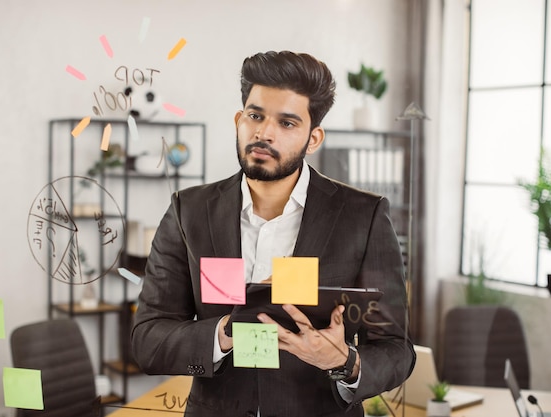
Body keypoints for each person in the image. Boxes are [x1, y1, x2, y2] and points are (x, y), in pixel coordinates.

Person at [131, 50, 415, 417]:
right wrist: (225, 331)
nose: (264, 133)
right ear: (239, 119)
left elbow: (396, 349)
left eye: (287, 123)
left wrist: (345, 361)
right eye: (255, 116)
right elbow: (148, 340)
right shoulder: (189, 211)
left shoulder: (363, 216)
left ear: (313, 139)